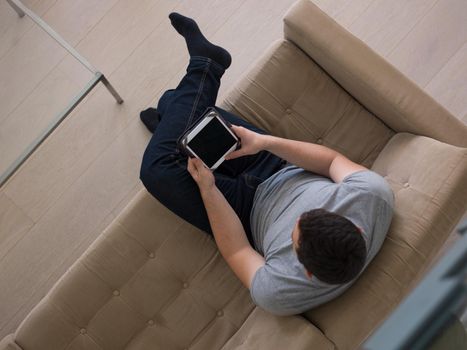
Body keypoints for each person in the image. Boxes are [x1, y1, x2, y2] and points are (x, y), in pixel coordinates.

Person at [140, 13, 395, 316]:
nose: (297, 218)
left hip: (243, 212)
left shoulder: (281, 294)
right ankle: (174, 110)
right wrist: (265, 143)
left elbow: (238, 250)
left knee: (157, 167)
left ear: (307, 272)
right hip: (278, 165)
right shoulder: (373, 196)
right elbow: (331, 162)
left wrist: (209, 191)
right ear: (353, 223)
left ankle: (204, 68)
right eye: (312, 211)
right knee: (186, 112)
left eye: (293, 235)